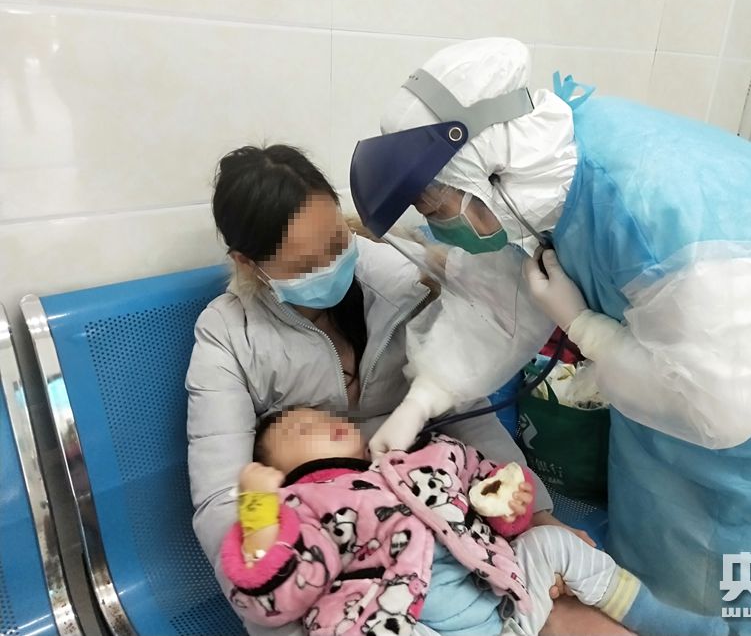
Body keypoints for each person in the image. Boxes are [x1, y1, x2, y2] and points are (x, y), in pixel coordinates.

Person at [349, 38, 751, 636]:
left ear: (492, 171)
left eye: (438, 205)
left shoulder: (666, 208)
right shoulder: (535, 188)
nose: (438, 223)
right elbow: (494, 299)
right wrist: (423, 398)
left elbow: (719, 406)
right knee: (663, 557)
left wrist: (585, 327)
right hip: (663, 393)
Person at [186, 144, 621, 636]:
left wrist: (535, 513)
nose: (331, 265)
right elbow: (222, 498)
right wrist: (276, 612)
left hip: (442, 516)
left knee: (568, 612)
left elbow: (466, 408)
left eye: (336, 241)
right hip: (335, 561)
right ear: (247, 263)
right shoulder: (229, 334)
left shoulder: (399, 275)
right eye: (305, 264)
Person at [221, 406, 728, 636]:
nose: (322, 421)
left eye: (324, 415)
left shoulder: (420, 459)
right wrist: (259, 513)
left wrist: (512, 504)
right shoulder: (303, 506)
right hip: (402, 620)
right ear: (276, 470)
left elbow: (487, 487)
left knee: (550, 543)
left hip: (506, 609)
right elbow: (279, 598)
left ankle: (666, 621)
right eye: (300, 428)